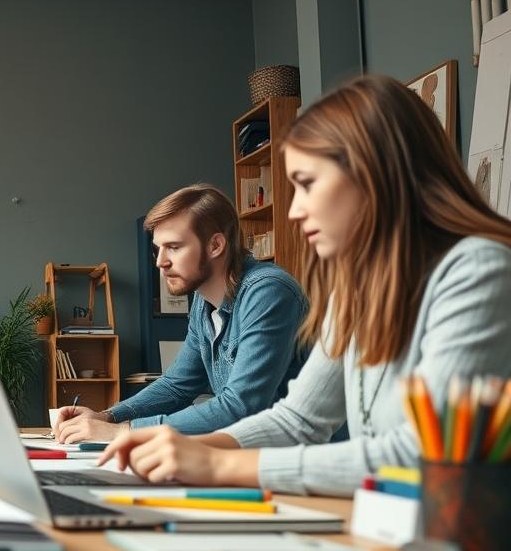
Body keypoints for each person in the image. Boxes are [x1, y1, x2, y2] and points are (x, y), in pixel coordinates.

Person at [100, 75, 511, 496]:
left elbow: (429, 455)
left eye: (307, 184)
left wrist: (214, 461)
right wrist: (176, 448)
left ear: (375, 175)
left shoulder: (477, 270)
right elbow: (299, 419)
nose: (294, 211)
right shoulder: (359, 290)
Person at [54, 184, 308, 443]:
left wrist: (125, 431)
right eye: (157, 249)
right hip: (253, 458)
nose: (159, 262)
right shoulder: (203, 300)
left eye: (174, 247)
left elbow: (241, 405)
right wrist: (107, 417)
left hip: (302, 468)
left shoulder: (268, 291)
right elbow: (177, 385)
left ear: (215, 245)